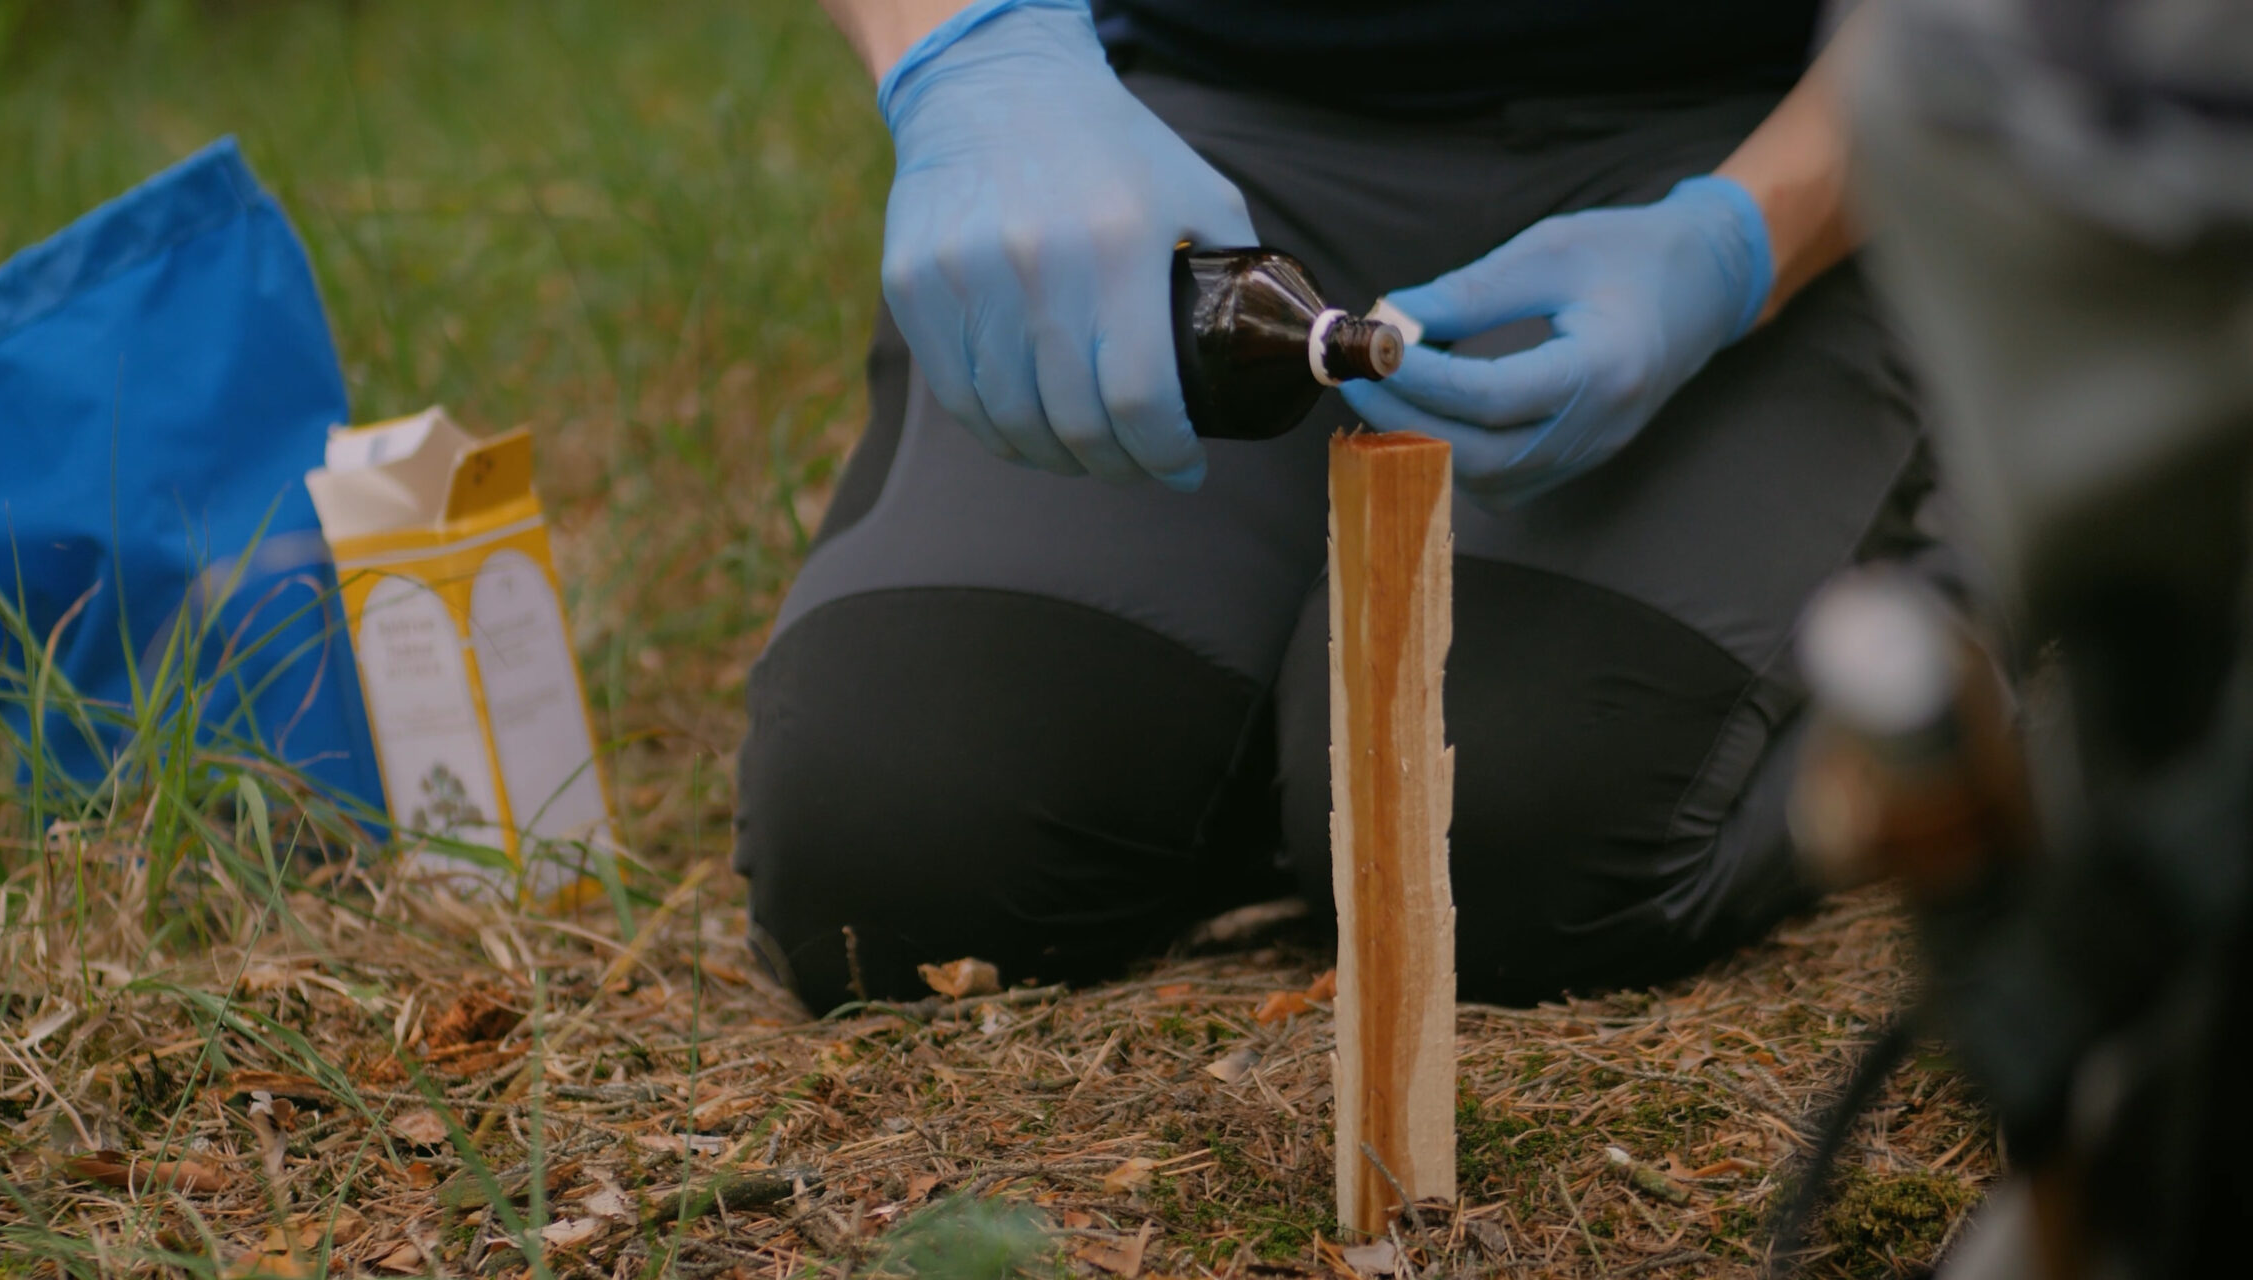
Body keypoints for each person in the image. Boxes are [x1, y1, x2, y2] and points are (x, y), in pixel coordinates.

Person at [733, 0, 1944, 1014]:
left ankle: (1975, 556)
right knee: (889, 855)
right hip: (1189, 150)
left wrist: (1742, 241)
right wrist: (977, 57)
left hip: (1767, 129)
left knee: (1501, 849)